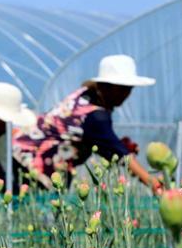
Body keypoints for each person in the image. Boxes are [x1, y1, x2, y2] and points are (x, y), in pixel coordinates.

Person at [12, 54, 161, 190]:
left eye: (129, 89)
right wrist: (153, 183)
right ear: (106, 87)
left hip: (26, 157)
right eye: (121, 88)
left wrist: (118, 146)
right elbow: (121, 157)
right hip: (31, 166)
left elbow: (102, 142)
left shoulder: (85, 96)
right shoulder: (96, 115)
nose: (126, 94)